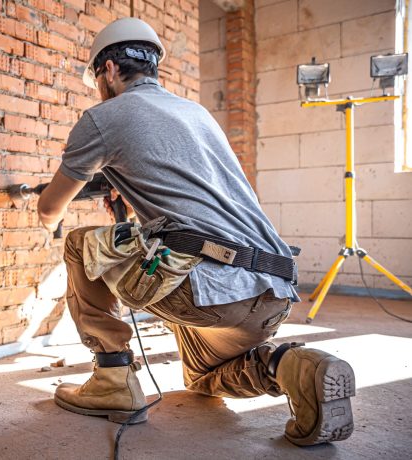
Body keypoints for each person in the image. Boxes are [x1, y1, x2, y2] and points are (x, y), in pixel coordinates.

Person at [35, 17, 355, 446]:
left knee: (79, 246)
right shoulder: (195, 112)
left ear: (108, 70)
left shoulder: (103, 118)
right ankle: (291, 366)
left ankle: (112, 374)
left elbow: (49, 208)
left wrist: (60, 208)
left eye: (98, 76)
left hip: (206, 289)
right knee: (202, 377)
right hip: (271, 291)